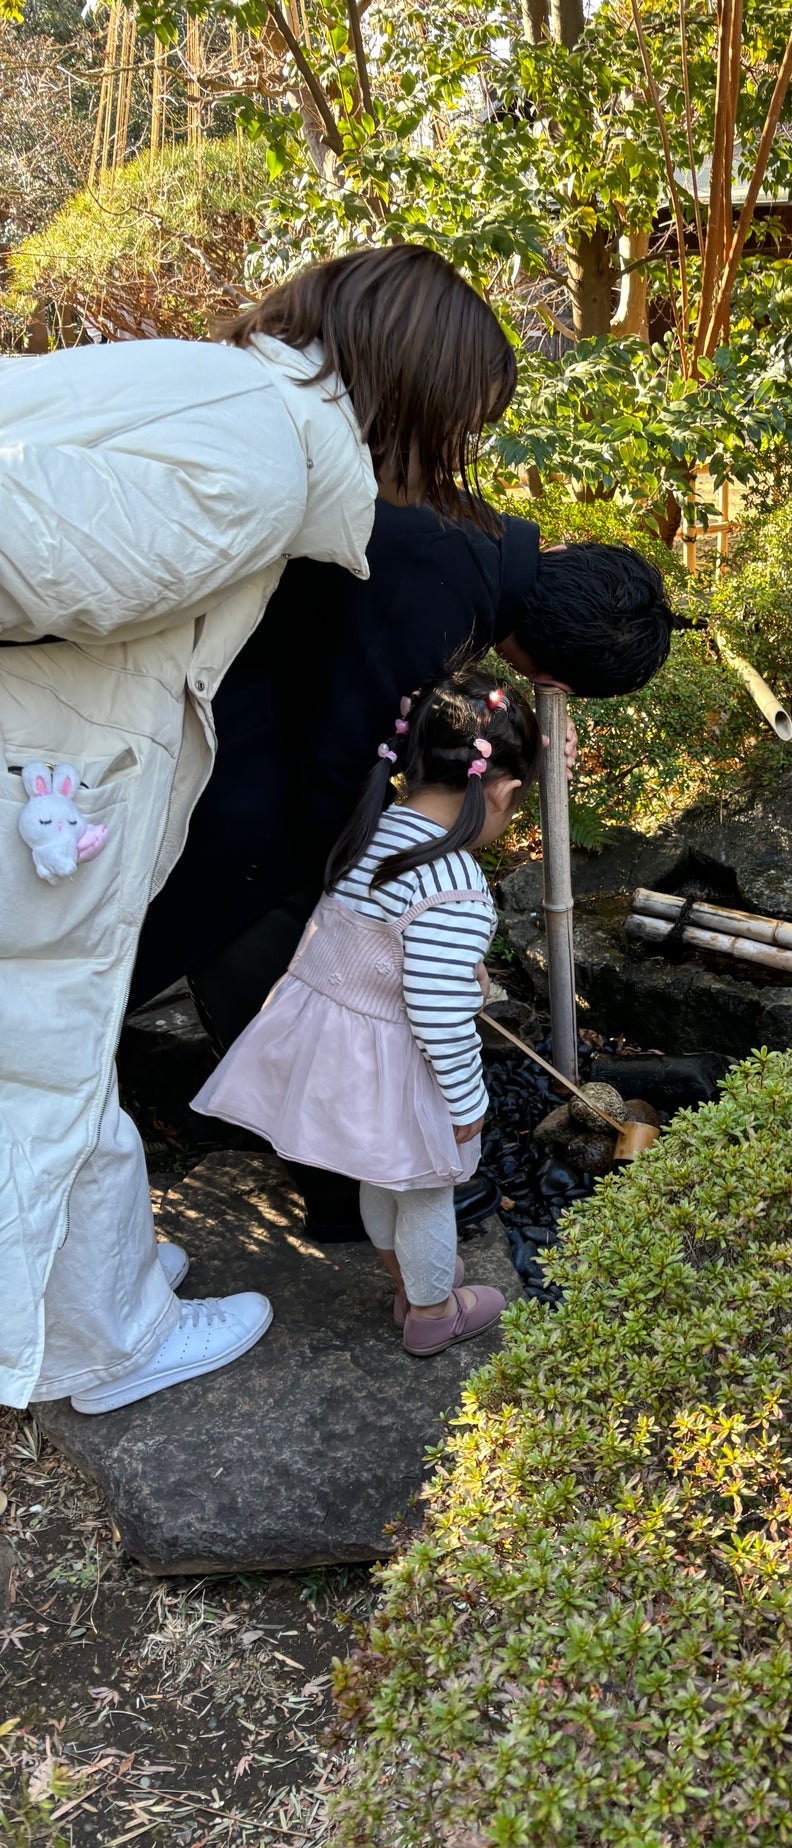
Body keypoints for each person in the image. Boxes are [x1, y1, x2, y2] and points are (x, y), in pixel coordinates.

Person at [0, 243, 516, 1414]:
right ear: (418, 395)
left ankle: (94, 1294)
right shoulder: (256, 462)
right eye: (462, 423)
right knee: (44, 1051)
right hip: (42, 784)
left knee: (46, 1053)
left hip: (47, 762)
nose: (456, 456)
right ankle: (114, 1339)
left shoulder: (209, 384)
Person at [129, 510, 685, 1238]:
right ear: (553, 678)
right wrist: (380, 886)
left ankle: (350, 1184)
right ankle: (353, 1193)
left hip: (232, 741)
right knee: (301, 985)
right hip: (234, 796)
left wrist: (511, 731)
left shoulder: (461, 540)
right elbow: (335, 770)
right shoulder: (437, 610)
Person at [189, 669, 539, 1360]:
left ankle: (405, 1277)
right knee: (428, 1191)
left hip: (341, 1047)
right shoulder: (455, 883)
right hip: (400, 1061)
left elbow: (382, 946)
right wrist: (467, 1098)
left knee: (378, 1175)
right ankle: (434, 1309)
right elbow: (437, 1014)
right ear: (502, 791)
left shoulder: (375, 829)